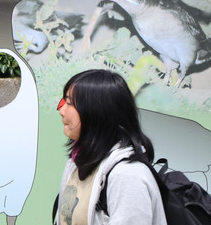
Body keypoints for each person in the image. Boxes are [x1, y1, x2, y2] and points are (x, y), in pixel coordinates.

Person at [55, 69, 167, 225]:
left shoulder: (128, 176)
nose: (61, 110)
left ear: (96, 112)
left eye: (69, 103)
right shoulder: (78, 161)